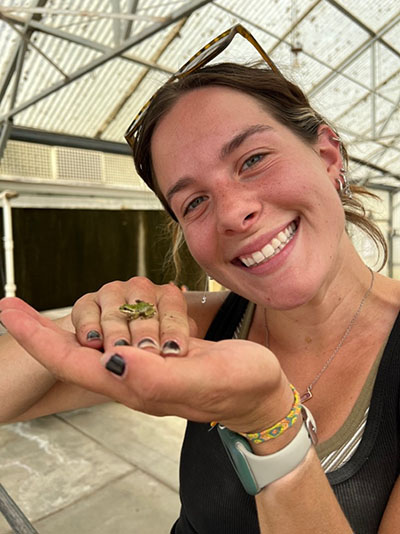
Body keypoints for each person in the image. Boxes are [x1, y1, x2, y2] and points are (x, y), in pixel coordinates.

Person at [0, 24, 399, 534]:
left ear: (327, 158)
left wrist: (271, 423)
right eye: (194, 201)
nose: (233, 213)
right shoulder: (201, 325)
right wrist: (98, 321)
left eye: (253, 159)